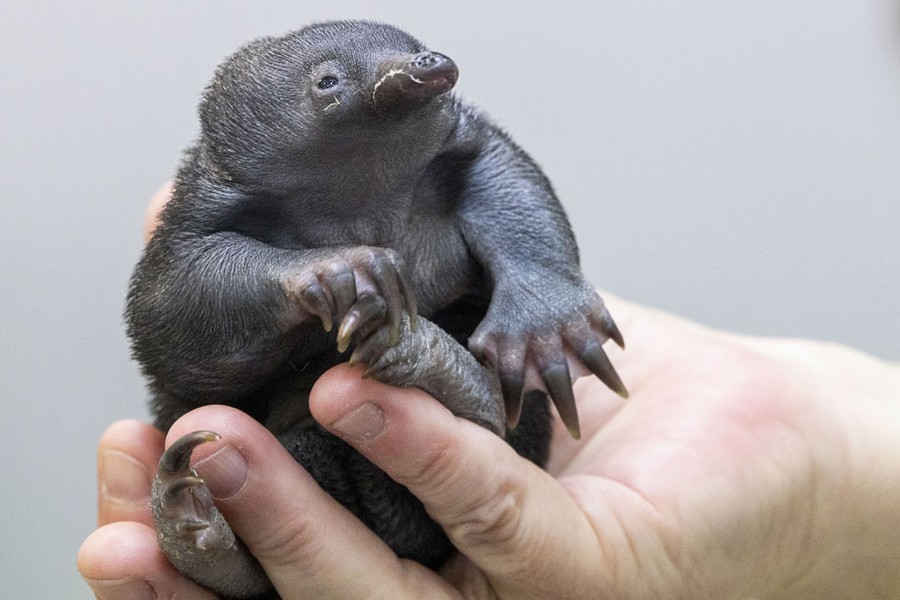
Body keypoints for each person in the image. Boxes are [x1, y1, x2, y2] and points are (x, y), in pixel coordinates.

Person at [78, 187, 900, 599]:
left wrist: (831, 468)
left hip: (446, 421)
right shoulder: (228, 225)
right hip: (291, 423)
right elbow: (168, 328)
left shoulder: (458, 200)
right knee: (244, 489)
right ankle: (210, 539)